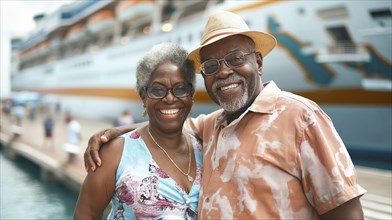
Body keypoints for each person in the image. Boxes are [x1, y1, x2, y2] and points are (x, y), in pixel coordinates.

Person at [83, 11, 366, 219]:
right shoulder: (214, 125)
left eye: (235, 59)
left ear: (257, 62)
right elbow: (169, 120)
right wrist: (114, 132)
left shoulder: (300, 117)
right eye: (212, 65)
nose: (224, 72)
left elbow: (347, 212)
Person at [74, 43, 203, 219]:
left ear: (191, 95)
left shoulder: (205, 148)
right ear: (143, 97)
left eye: (180, 89)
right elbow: (86, 214)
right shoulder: (115, 152)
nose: (170, 98)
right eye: (158, 90)